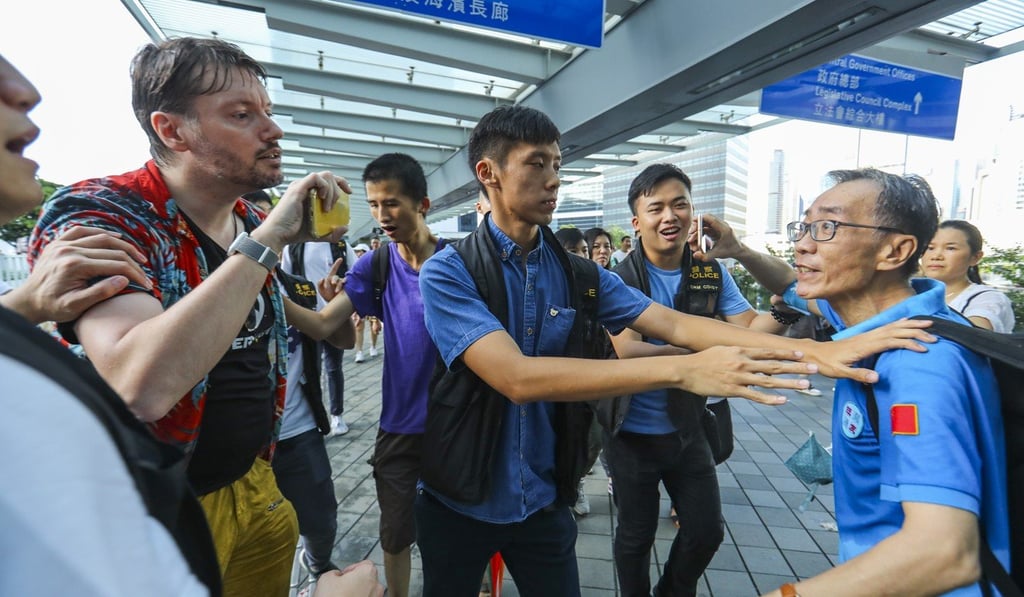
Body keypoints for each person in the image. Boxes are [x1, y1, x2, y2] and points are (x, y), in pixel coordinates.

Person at [415, 105, 933, 597]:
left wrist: (818, 355)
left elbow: (675, 323)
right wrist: (682, 372)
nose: (554, 179)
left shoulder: (576, 272)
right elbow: (516, 378)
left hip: (544, 497)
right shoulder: (450, 270)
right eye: (536, 164)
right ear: (489, 172)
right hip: (461, 496)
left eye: (557, 163)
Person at [0, 52, 384, 597]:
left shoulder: (248, 220)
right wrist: (270, 239)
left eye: (267, 112)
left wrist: (353, 287)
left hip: (256, 480)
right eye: (241, 114)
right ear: (173, 130)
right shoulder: (106, 212)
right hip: (162, 500)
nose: (271, 130)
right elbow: (141, 384)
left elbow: (318, 328)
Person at [699, 168, 1006, 597]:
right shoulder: (880, 319)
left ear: (894, 250)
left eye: (828, 227)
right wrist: (739, 250)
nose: (802, 243)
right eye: (804, 226)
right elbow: (791, 286)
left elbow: (944, 553)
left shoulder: (918, 360)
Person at [605, 163, 790, 597]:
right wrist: (702, 355)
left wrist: (783, 312)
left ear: (693, 213)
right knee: (636, 534)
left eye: (679, 204)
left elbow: (746, 331)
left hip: (689, 430)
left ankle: (673, 591)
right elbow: (627, 350)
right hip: (630, 432)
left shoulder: (710, 272)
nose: (669, 216)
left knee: (706, 533)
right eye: (656, 208)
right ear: (637, 221)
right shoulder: (618, 278)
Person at [318, 152, 448, 597]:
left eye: (390, 203)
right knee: (395, 531)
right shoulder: (374, 265)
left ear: (423, 204)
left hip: (457, 422)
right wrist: (266, 278)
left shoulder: (461, 263)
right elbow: (323, 326)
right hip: (399, 425)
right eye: (374, 205)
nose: (380, 216)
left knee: (455, 528)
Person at [923, 219, 1015, 332]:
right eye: (930, 248)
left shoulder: (987, 298)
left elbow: (973, 335)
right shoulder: (911, 292)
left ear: (975, 257)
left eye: (950, 248)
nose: (936, 256)